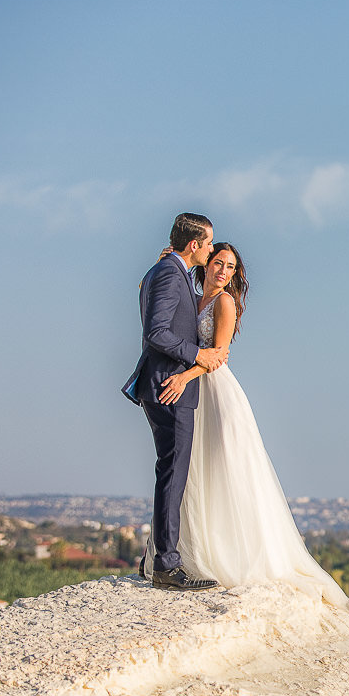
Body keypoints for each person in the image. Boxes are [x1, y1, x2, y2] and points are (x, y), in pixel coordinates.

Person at [154, 241, 349, 607]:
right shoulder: (192, 296)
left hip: (215, 392)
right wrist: (166, 260)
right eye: (218, 263)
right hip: (195, 392)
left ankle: (237, 557)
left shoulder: (223, 303)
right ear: (205, 263)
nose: (224, 271)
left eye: (230, 267)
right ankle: (194, 552)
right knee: (195, 473)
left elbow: (218, 356)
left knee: (229, 472)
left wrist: (183, 378)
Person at [123, 213, 227, 591]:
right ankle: (166, 565)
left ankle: (157, 557)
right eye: (209, 243)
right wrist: (197, 355)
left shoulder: (164, 270)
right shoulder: (169, 272)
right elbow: (157, 333)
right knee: (172, 474)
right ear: (194, 244)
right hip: (171, 387)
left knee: (171, 473)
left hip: (166, 385)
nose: (212, 249)